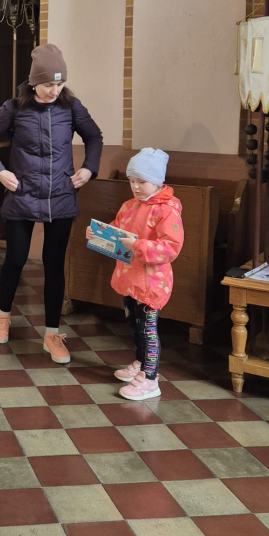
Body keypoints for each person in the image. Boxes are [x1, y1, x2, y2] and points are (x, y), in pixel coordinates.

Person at [0, 43, 103, 359]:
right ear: (34, 82)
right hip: (23, 196)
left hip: (61, 197)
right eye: (48, 85)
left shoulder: (71, 107)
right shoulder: (14, 108)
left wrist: (89, 168)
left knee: (54, 265)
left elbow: (94, 137)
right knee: (16, 259)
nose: (54, 91)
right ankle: (3, 315)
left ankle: (52, 334)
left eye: (59, 84)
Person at [86, 148, 184, 401]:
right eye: (132, 181)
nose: (136, 187)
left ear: (158, 182)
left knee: (148, 331)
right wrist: (98, 234)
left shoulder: (167, 210)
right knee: (135, 326)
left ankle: (150, 379)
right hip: (129, 279)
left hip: (151, 284)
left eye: (142, 181)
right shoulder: (129, 206)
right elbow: (117, 233)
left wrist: (137, 245)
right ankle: (140, 363)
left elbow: (170, 248)